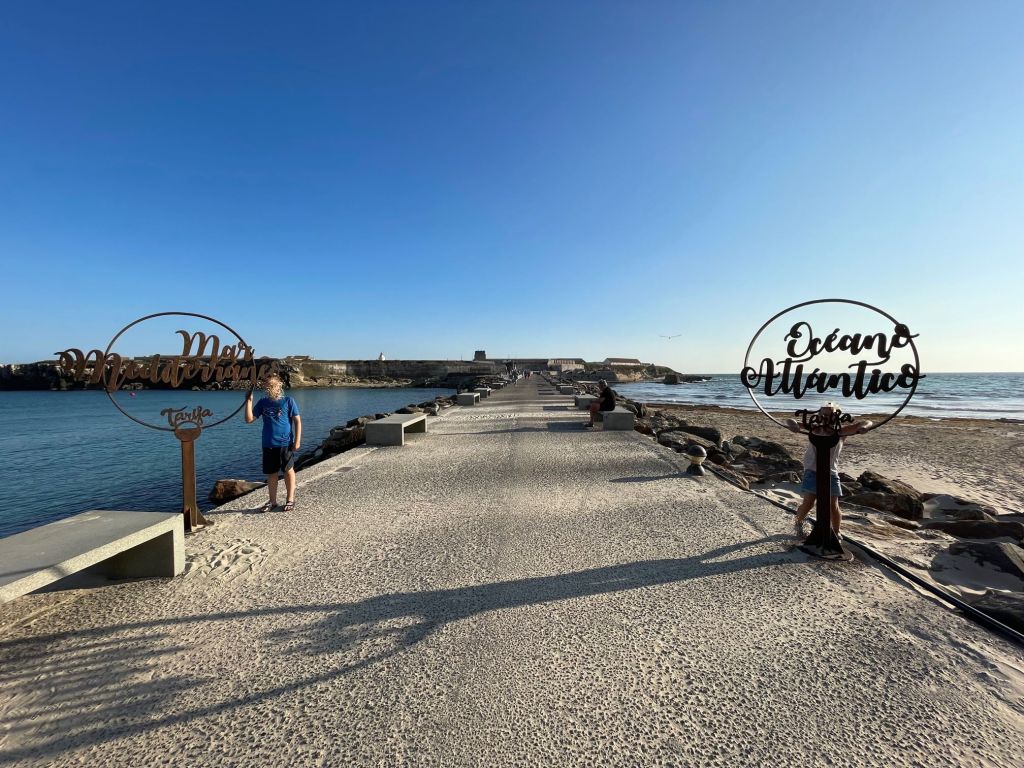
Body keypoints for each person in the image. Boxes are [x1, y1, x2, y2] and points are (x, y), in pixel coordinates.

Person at [785, 403, 872, 536]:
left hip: (830, 472)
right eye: (823, 415)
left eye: (830, 415)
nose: (826, 418)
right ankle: (798, 523)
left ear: (837, 416)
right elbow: (790, 420)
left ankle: (836, 532)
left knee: (833, 505)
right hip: (812, 471)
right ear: (818, 416)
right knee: (809, 502)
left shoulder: (840, 432)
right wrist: (793, 425)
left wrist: (864, 427)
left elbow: (866, 422)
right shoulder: (814, 428)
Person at [244, 374, 302, 512]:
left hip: (285, 443)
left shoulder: (288, 401)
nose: (270, 389)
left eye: (273, 386)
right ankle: (272, 501)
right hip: (268, 444)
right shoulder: (263, 402)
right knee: (271, 473)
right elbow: (249, 419)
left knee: (288, 470)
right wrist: (249, 401)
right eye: (267, 386)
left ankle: (290, 499)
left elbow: (297, 421)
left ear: (279, 385)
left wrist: (297, 441)